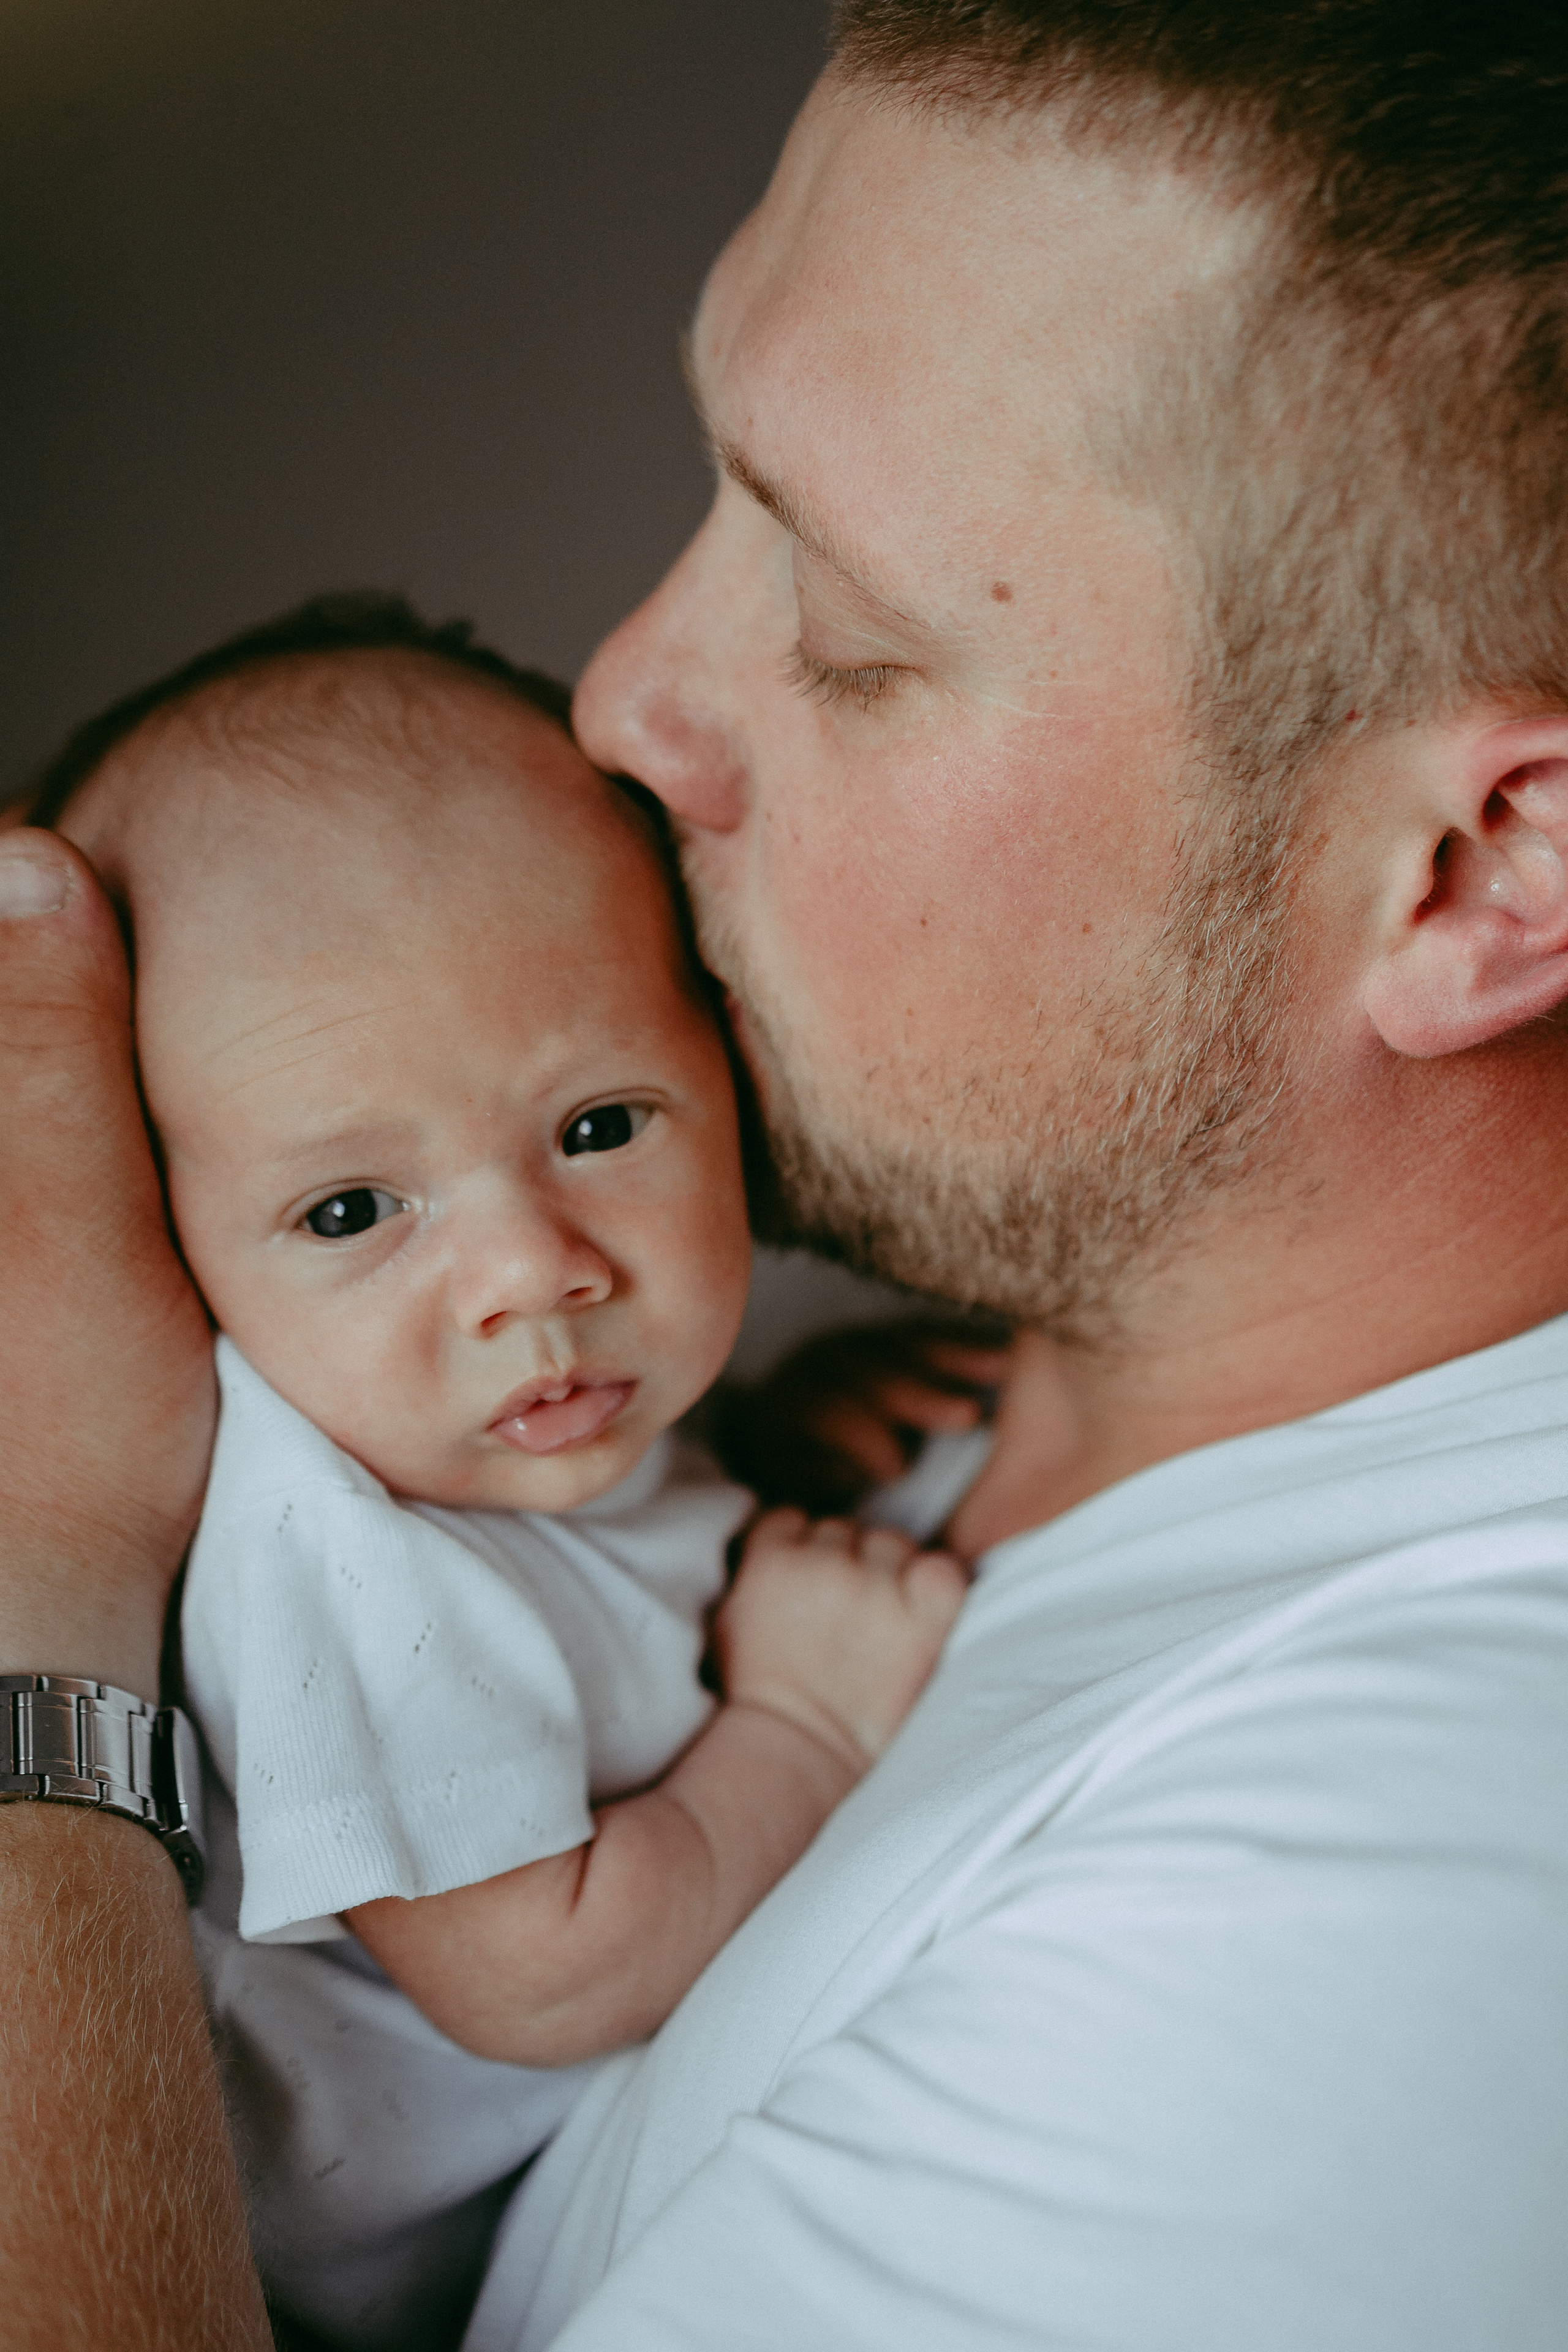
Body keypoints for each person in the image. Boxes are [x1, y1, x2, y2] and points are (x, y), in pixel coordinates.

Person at [4, 1, 1568, 2345]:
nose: (625, 700)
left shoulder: (1382, 1916)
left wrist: (36, 1587)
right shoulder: (909, 1385)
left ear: (1476, 880)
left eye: (843, 627)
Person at [38, 603, 968, 2347]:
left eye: (602, 1126)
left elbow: (606, 1604)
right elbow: (540, 1971)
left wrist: (774, 1446)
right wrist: (808, 1730)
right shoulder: (323, 1543)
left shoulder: (491, 1422)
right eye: (348, 1212)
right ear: (161, 1252)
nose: (534, 1270)